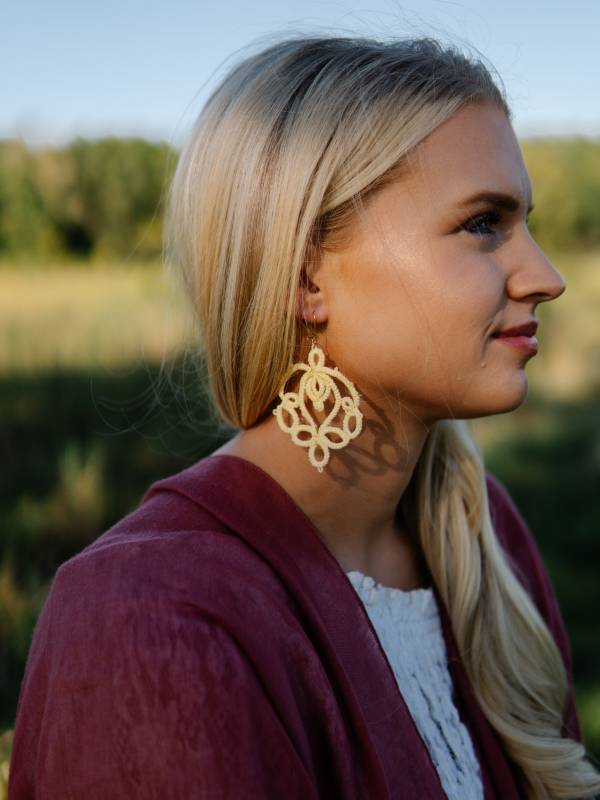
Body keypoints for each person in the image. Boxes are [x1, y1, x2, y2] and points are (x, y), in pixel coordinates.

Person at [9, 36, 600, 800]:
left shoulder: (483, 533)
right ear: (305, 275)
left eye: (524, 223)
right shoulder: (148, 614)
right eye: (484, 223)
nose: (545, 276)